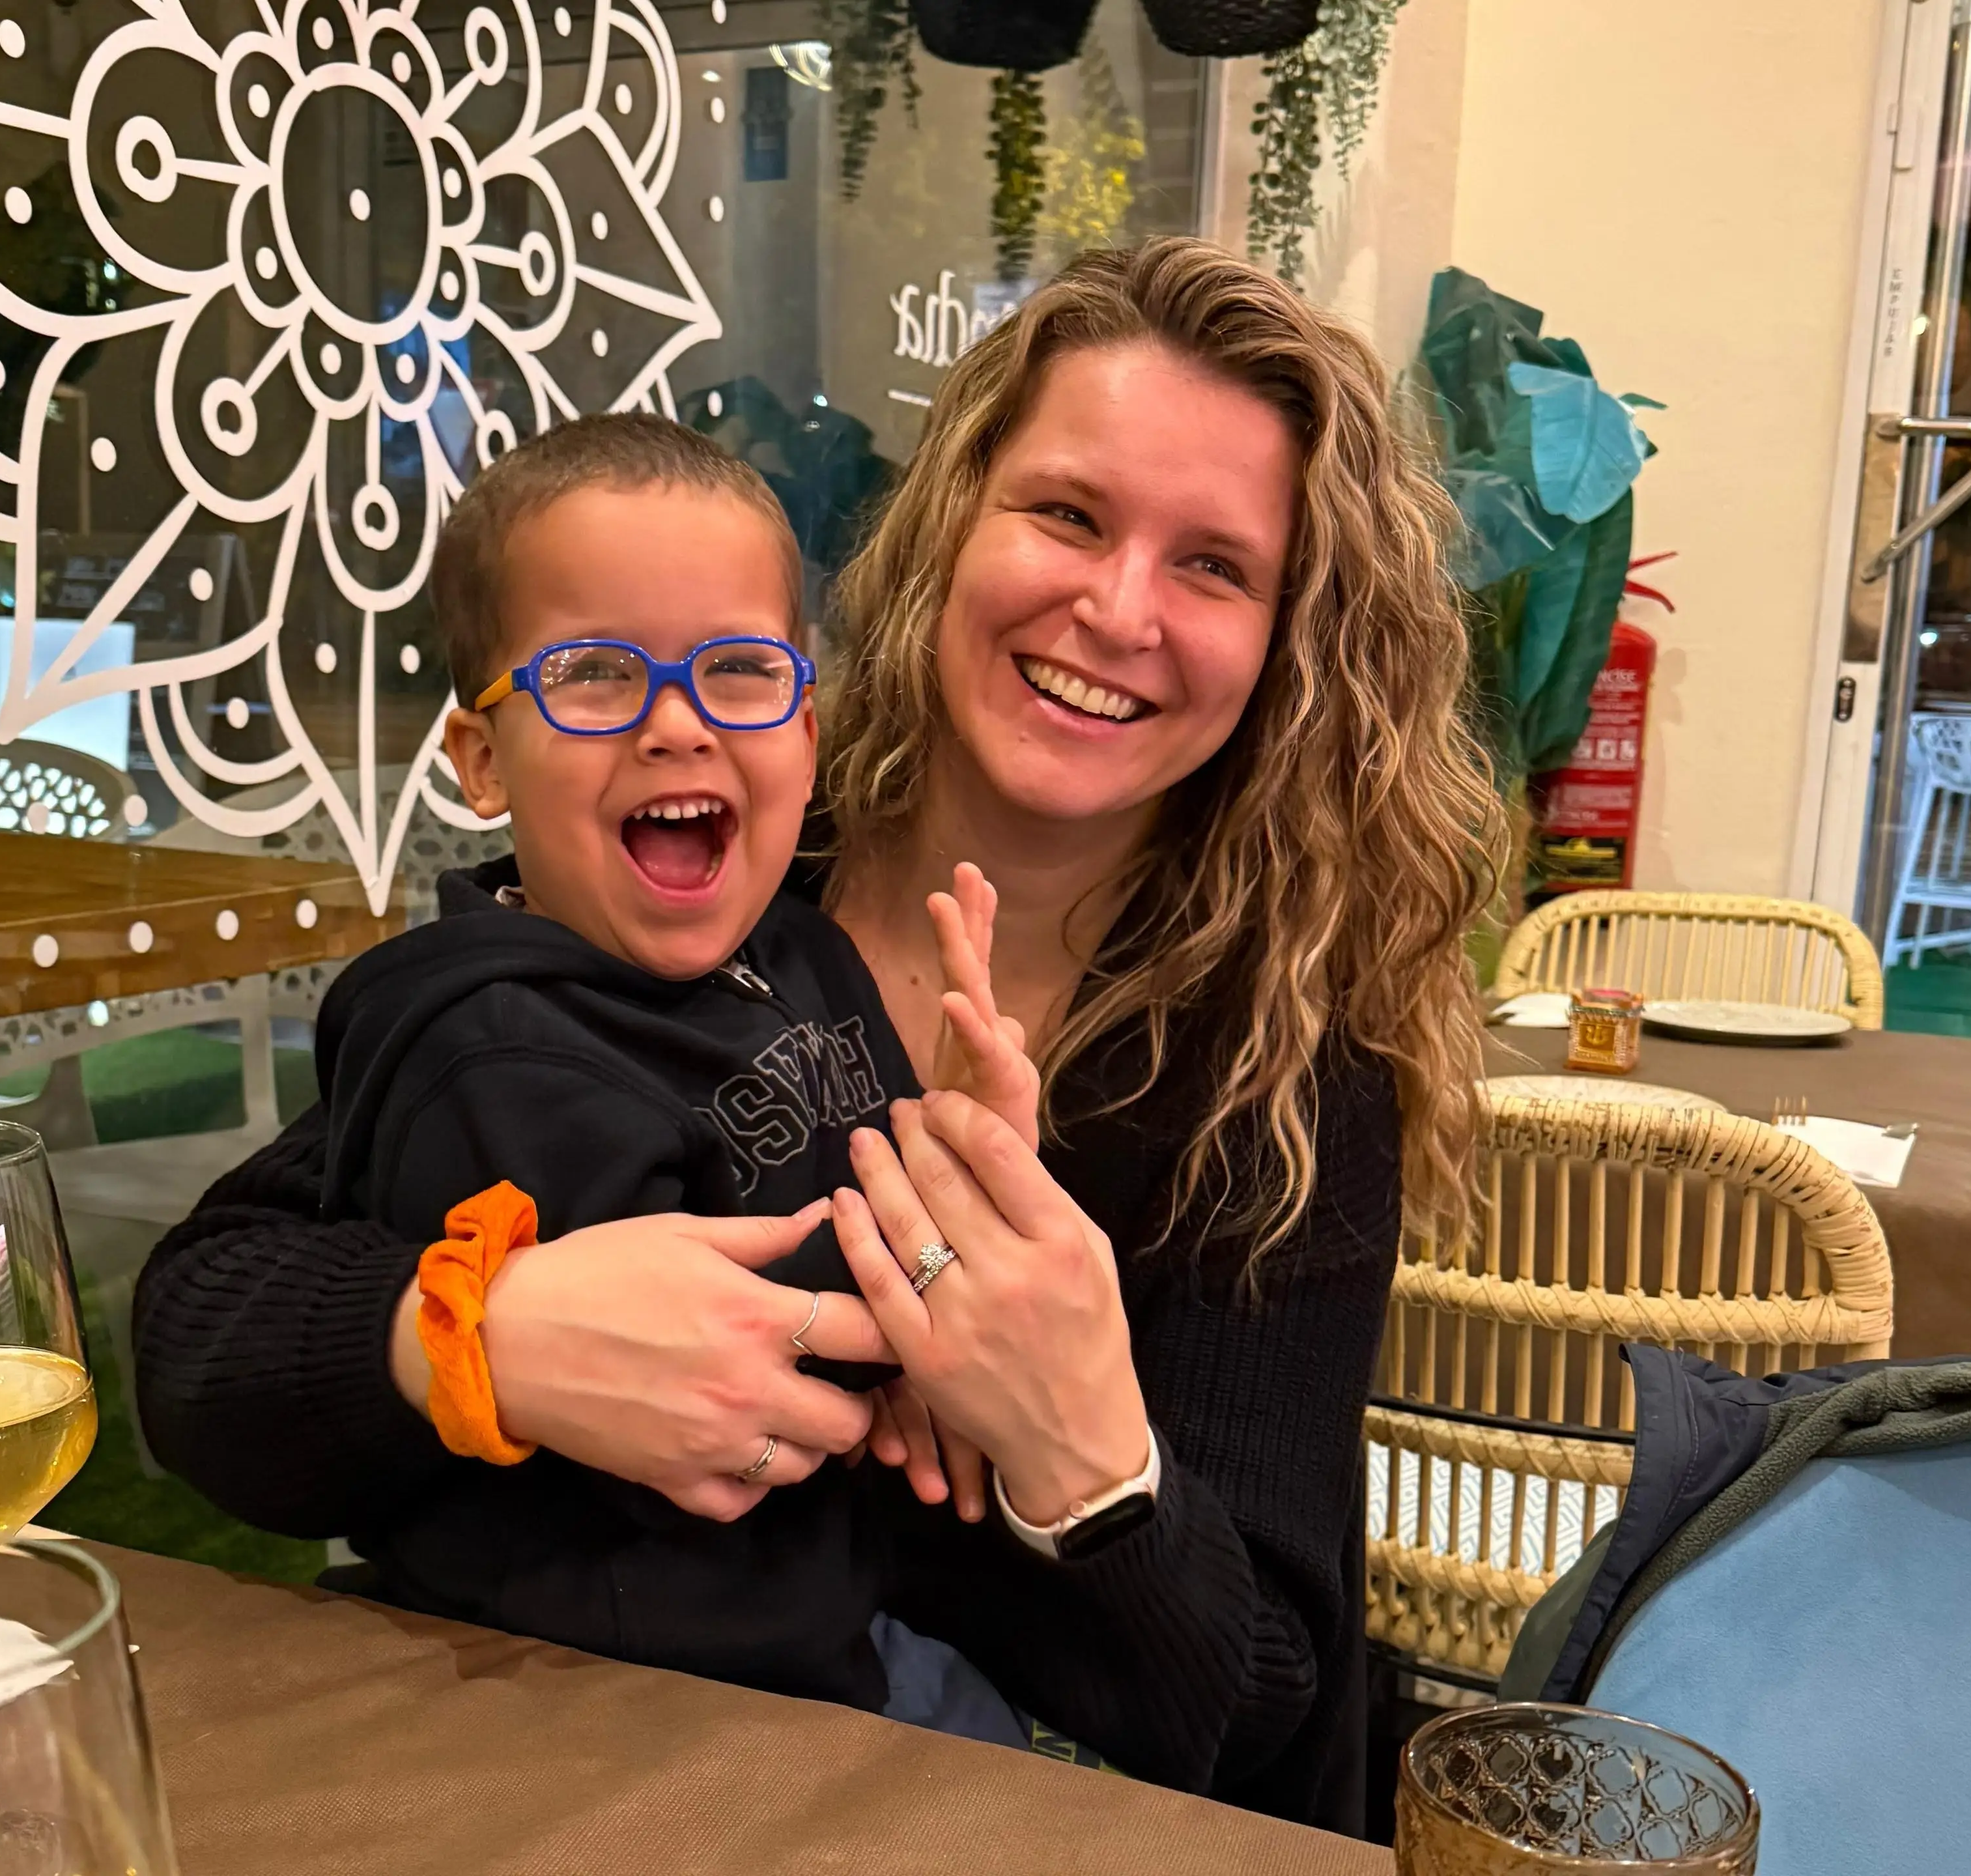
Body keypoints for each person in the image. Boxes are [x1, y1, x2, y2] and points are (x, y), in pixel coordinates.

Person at [134, 236, 1497, 1837]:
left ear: (1288, 643)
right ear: (954, 524)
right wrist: (479, 1341)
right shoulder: (718, 884)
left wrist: (1084, 1448)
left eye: (1215, 565)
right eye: (1066, 514)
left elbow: (1256, 1706)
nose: (1115, 608)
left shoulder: (1278, 1074)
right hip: (570, 1770)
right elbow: (199, 1345)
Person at [280, 412, 1040, 1711]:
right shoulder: (487, 1046)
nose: (678, 726)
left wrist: (951, 1144)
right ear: (479, 761)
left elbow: (862, 1170)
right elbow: (709, 1351)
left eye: (740, 669)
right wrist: (953, 1241)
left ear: (809, 725)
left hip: (839, 1625)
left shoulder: (798, 953)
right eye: (591, 673)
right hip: (614, 1697)